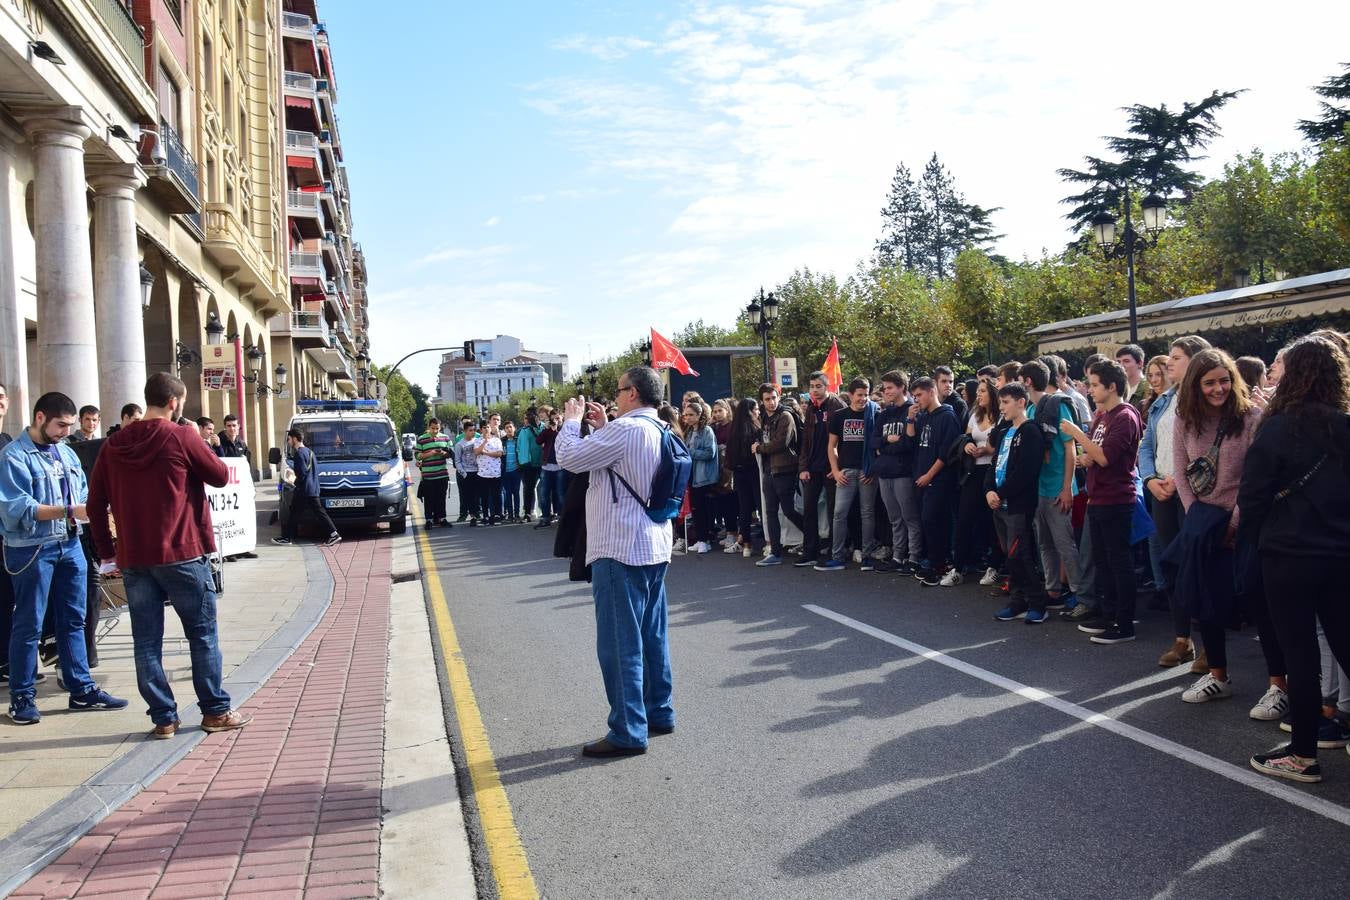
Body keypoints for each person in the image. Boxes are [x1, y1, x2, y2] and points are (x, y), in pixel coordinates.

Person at [87, 372, 251, 738]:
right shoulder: (180, 436)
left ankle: (163, 717)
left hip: (135, 559)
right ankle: (215, 711)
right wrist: (196, 439)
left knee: (146, 642)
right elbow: (220, 475)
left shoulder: (113, 445)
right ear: (174, 402)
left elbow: (95, 503)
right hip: (182, 552)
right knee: (202, 634)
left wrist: (107, 551)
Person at [1238, 334, 1350, 783]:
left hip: (1286, 555)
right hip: (1341, 554)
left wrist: (1253, 546)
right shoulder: (1345, 425)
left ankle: (1303, 754)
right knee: (1346, 644)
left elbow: (1253, 497)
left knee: (1300, 655)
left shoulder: (1277, 427)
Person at [554, 366, 674, 758]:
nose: (615, 396)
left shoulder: (625, 431)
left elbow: (570, 458)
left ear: (634, 394)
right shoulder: (658, 428)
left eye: (619, 390)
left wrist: (571, 423)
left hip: (620, 547)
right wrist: (606, 425)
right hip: (654, 545)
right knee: (652, 638)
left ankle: (627, 729)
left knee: (620, 644)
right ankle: (659, 711)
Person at [1168, 349, 1288, 718]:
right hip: (1203, 523)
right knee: (1206, 602)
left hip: (1247, 522)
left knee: (1258, 602)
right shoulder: (1185, 418)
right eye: (1209, 382)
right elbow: (1181, 470)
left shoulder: (1252, 416)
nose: (1218, 388)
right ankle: (1217, 676)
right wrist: (1196, 517)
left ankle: (1277, 686)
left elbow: (1257, 477)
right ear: (1196, 385)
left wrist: (1234, 522)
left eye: (1224, 380)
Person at [0, 392, 127, 724]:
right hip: (31, 549)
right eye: (61, 425)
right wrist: (71, 510)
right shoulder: (13, 457)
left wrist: (98, 508)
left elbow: (83, 492)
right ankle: (22, 697)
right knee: (29, 623)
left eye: (69, 426)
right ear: (40, 418)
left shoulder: (67, 454)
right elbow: (16, 509)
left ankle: (81, 688)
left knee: (75, 619)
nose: (64, 432)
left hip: (70, 545)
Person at [1139, 335, 1211, 667]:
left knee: (1199, 569)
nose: (1168, 362)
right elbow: (1147, 445)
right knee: (1171, 567)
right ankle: (1182, 640)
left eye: (1176, 357)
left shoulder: (1206, 399)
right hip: (1162, 493)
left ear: (1196, 361)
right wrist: (1151, 479)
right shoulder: (1163, 400)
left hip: (1195, 493)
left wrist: (1178, 480)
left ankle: (1212, 644)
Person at [1060, 360, 1143, 644]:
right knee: (1103, 562)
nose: (1091, 390)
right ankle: (1108, 615)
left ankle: (1124, 623)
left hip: (1117, 499)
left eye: (1095, 385)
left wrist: (1077, 433)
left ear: (1112, 386)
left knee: (1119, 561)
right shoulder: (1101, 415)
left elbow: (1107, 457)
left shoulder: (1125, 416)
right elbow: (1096, 455)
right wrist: (1085, 457)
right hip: (1097, 497)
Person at [1022, 361, 1082, 612]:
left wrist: (1066, 487)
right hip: (1039, 487)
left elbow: (1070, 449)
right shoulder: (1031, 408)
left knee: (1065, 544)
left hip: (1058, 486)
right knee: (1044, 543)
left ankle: (1081, 594)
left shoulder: (1058, 405)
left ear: (1027, 381)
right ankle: (1053, 589)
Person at [985, 383, 1046, 622]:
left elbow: (1026, 471)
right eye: (1000, 402)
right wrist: (989, 490)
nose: (1002, 408)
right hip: (999, 505)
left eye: (1006, 402)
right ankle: (1018, 600)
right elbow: (993, 465)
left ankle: (1037, 603)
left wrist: (1001, 492)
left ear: (1021, 402)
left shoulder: (1031, 431)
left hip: (1018, 504)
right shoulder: (1003, 432)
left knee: (1019, 554)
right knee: (1009, 555)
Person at [817, 377, 879, 572]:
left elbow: (879, 446)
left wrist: (873, 470)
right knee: (839, 513)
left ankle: (867, 555)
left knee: (867, 513)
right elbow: (831, 446)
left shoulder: (875, 413)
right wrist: (835, 471)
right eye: (859, 395)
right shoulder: (839, 415)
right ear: (851, 395)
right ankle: (837, 556)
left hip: (867, 472)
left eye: (866, 395)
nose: (863, 399)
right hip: (845, 472)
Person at [909, 376, 961, 585]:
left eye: (920, 395)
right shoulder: (923, 416)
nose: (917, 400)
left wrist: (929, 475)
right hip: (921, 476)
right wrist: (910, 420)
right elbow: (912, 441)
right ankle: (932, 560)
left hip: (938, 478)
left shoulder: (947, 416)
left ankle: (940, 563)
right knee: (926, 521)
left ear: (932, 392)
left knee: (934, 520)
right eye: (914, 396)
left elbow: (946, 452)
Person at [947, 377, 998, 586]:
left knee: (991, 522)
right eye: (978, 391)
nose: (979, 395)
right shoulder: (974, 414)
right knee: (964, 519)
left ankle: (993, 566)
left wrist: (987, 449)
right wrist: (968, 446)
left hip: (992, 471)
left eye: (983, 391)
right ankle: (958, 567)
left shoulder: (1001, 416)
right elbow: (966, 436)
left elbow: (1002, 445)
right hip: (973, 471)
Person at [872, 371, 922, 574]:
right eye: (884, 388)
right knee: (894, 518)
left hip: (903, 472)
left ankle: (914, 557)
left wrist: (886, 446)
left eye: (890, 387)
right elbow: (873, 441)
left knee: (909, 517)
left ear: (901, 387)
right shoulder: (884, 414)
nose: (886, 392)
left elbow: (908, 444)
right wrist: (886, 441)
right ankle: (897, 556)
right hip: (884, 473)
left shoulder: (912, 410)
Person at [795, 372, 845, 567]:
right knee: (809, 510)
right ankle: (810, 552)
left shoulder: (837, 405)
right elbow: (806, 440)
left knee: (834, 512)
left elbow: (843, 441)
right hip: (812, 468)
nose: (814, 390)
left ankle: (835, 552)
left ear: (827, 387)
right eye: (812, 386)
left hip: (831, 468)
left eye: (818, 386)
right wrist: (803, 467)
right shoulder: (810, 408)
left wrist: (838, 467)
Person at [754, 383, 802, 566]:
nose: (771, 402)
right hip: (769, 471)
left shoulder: (786, 416)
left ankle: (814, 540)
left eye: (774, 397)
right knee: (770, 513)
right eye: (767, 399)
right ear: (762, 401)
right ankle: (775, 552)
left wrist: (759, 448)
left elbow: (780, 443)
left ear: (778, 397)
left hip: (785, 470)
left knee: (789, 510)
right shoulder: (765, 417)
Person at [274, 428, 341, 546]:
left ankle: (287, 538)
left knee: (297, 513)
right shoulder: (310, 452)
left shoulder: (299, 453)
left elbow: (302, 473)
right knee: (306, 513)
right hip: (312, 489)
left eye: (289, 439)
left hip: (303, 490)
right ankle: (333, 534)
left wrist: (294, 482)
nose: (289, 442)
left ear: (295, 438)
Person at [725, 398, 761, 557]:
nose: (758, 412)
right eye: (757, 409)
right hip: (754, 471)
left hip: (739, 472)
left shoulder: (733, 429)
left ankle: (746, 543)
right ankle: (769, 542)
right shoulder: (755, 428)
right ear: (750, 411)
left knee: (744, 508)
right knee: (761, 505)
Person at [682, 403, 718, 554]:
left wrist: (690, 452)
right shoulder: (689, 431)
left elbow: (710, 453)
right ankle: (700, 538)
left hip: (703, 476)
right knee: (696, 509)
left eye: (691, 415)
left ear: (698, 415)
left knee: (703, 509)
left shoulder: (707, 431)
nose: (688, 418)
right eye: (686, 415)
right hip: (692, 474)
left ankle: (704, 540)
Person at [415, 418, 453, 527]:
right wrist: (430, 453)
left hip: (442, 473)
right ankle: (429, 520)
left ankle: (442, 519)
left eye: (437, 428)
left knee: (441, 497)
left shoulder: (445, 438)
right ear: (428, 427)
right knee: (429, 499)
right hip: (428, 475)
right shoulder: (422, 439)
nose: (435, 430)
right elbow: (417, 455)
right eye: (433, 428)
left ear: (440, 428)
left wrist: (443, 453)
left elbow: (450, 453)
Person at [475, 416, 506, 526]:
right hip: (482, 473)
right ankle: (486, 516)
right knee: (484, 496)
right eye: (484, 427)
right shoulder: (477, 440)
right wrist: (484, 442)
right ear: (481, 429)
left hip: (495, 473)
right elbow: (477, 452)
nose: (487, 429)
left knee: (496, 495)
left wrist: (486, 453)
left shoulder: (496, 440)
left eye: (488, 427)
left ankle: (497, 515)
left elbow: (499, 453)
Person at [535, 411, 563, 527]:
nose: (556, 421)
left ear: (562, 418)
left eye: (558, 418)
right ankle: (546, 517)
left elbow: (561, 440)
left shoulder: (565, 429)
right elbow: (538, 441)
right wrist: (547, 429)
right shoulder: (547, 430)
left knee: (560, 493)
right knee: (544, 493)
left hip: (561, 466)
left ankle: (561, 516)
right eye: (553, 419)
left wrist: (555, 430)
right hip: (547, 466)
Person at [516, 408, 543, 522]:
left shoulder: (544, 428)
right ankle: (527, 512)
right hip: (529, 464)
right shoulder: (524, 430)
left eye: (529, 416)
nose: (527, 419)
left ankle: (547, 512)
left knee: (545, 488)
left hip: (543, 463)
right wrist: (521, 462)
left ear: (537, 416)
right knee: (528, 489)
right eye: (526, 417)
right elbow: (519, 447)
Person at [455, 419, 483, 525]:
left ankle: (475, 514)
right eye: (470, 430)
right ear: (465, 431)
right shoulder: (459, 444)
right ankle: (465, 514)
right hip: (465, 473)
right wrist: (463, 473)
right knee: (465, 495)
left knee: (476, 495)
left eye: (474, 430)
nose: (473, 432)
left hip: (476, 471)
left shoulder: (477, 440)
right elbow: (457, 461)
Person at [1116, 344, 1149, 412]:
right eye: (1118, 362)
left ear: (1140, 364)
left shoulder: (1149, 387)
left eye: (1126, 361)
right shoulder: (1117, 389)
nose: (1121, 365)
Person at [502, 421, 522, 522]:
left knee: (516, 493)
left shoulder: (518, 440)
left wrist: (520, 463)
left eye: (510, 427)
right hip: (505, 471)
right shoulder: (502, 441)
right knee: (508, 493)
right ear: (504, 430)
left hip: (516, 471)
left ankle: (517, 514)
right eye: (506, 427)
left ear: (514, 428)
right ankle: (510, 515)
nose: (509, 429)